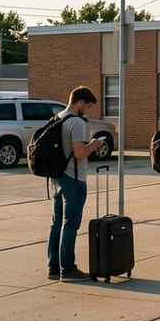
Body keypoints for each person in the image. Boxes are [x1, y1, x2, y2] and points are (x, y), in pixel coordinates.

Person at [48, 86, 107, 282]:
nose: (87, 110)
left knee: (56, 223)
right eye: (87, 106)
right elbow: (79, 152)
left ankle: (54, 267)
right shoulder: (76, 122)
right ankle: (68, 269)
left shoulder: (57, 118)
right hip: (74, 179)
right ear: (79, 102)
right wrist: (95, 145)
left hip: (57, 177)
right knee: (70, 225)